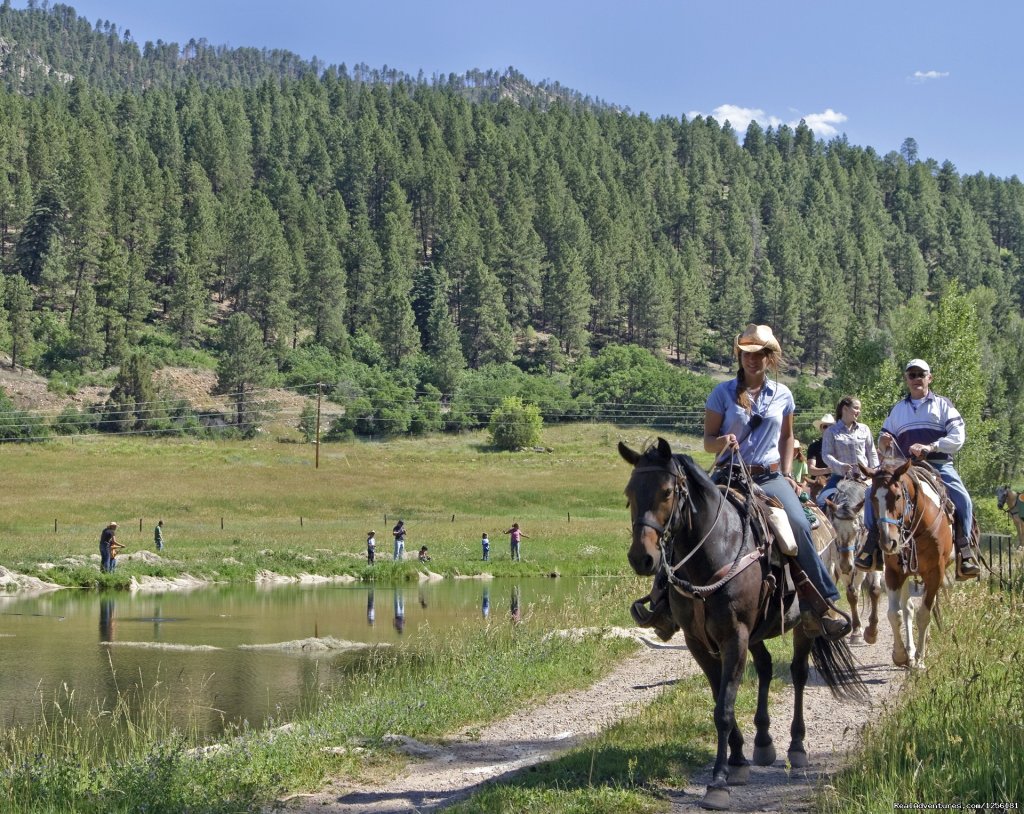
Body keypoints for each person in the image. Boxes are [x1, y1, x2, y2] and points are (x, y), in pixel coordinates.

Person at [704, 324, 850, 640]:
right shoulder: (722, 393)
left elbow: (787, 436)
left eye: (759, 355)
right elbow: (707, 440)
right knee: (689, 517)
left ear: (769, 358)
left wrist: (786, 473)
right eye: (746, 354)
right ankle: (662, 602)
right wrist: (722, 442)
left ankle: (821, 603)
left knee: (797, 525)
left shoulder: (783, 394)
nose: (752, 360)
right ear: (739, 356)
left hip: (769, 476)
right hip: (730, 474)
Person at [855, 359, 980, 579]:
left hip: (939, 465)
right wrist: (884, 440)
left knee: (963, 499)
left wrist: (931, 446)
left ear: (929, 377)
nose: (916, 379)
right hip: (905, 469)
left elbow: (958, 436)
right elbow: (885, 438)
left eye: (920, 374)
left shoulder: (943, 405)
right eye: (911, 375)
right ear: (906, 379)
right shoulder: (898, 410)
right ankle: (872, 545)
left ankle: (965, 550)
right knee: (870, 494)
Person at [816, 395, 879, 509]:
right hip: (840, 478)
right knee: (821, 502)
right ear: (845, 408)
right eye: (855, 408)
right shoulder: (831, 431)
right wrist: (840, 465)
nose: (858, 411)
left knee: (881, 503)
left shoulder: (865, 429)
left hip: (864, 478)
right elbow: (826, 455)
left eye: (859, 409)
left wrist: (874, 472)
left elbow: (872, 452)